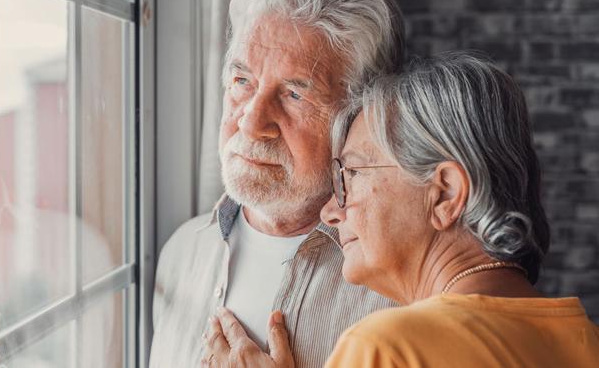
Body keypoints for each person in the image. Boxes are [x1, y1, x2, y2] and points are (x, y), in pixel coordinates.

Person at [204, 52, 599, 367]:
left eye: (352, 173)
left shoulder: (386, 349)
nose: (331, 211)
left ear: (445, 193)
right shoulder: (586, 341)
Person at [150, 0, 405, 368]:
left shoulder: (402, 292)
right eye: (241, 81)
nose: (251, 123)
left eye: (294, 94)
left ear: (360, 119)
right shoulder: (181, 251)